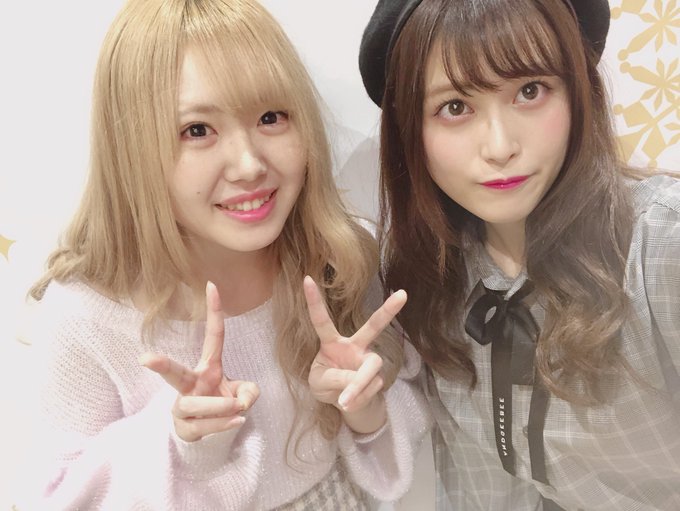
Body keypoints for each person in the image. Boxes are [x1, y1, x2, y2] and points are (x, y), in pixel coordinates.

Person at [18, 0, 431, 509]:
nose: (249, 164)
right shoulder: (87, 316)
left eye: (271, 117)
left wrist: (363, 407)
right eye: (197, 130)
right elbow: (56, 497)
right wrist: (183, 440)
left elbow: (402, 420)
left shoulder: (337, 258)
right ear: (131, 150)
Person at [358, 0, 680, 509]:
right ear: (410, 134)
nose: (500, 146)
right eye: (455, 107)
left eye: (530, 90)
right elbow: (481, 489)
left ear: (578, 94)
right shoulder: (432, 280)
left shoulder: (660, 247)